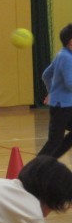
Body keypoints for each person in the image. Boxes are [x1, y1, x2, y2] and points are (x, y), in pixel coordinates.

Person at [38, 23, 72, 159]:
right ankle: (35, 167)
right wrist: (53, 93)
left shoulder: (62, 54)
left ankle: (50, 161)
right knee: (54, 141)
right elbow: (70, 84)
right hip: (62, 107)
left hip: (65, 105)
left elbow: (46, 75)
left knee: (55, 140)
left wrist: (52, 92)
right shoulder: (66, 58)